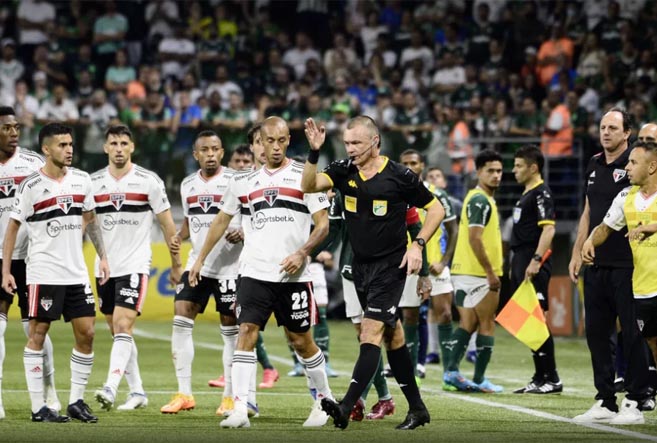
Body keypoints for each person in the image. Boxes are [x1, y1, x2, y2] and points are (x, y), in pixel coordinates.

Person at [189, 116, 334, 428]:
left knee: (301, 341)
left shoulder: (305, 177)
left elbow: (323, 225)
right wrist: (200, 258)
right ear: (260, 143)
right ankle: (240, 408)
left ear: (288, 141)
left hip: (293, 277)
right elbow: (221, 221)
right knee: (246, 332)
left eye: (282, 140)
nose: (276, 147)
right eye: (270, 141)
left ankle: (324, 400)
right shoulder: (242, 182)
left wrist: (302, 252)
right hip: (253, 272)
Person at [301, 115, 444, 430]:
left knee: (369, 333)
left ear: (375, 142)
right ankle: (418, 409)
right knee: (393, 337)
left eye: (357, 143)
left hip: (390, 268)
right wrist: (314, 152)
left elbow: (436, 209)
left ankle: (346, 406)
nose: (350, 149)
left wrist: (418, 245)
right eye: (347, 143)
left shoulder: (400, 176)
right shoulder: (343, 170)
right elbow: (308, 185)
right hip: (361, 268)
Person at [2, 123, 110, 423]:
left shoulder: (82, 180)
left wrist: (103, 257)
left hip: (76, 273)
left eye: (71, 144)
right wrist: (6, 270)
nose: (69, 149)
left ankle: (76, 401)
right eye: (62, 145)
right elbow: (12, 228)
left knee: (87, 334)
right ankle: (39, 407)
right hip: (43, 272)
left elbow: (91, 220)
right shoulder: (31, 185)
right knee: (37, 334)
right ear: (46, 149)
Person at [569, 108, 652, 424]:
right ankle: (605, 400)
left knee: (632, 333)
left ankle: (636, 399)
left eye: (613, 128)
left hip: (630, 264)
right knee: (597, 333)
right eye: (603, 127)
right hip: (597, 263)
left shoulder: (639, 163)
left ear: (627, 133)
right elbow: (588, 212)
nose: (606, 132)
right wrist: (578, 250)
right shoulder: (593, 164)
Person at [92, 125, 182, 411]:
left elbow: (168, 225)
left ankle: (110, 387)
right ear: (105, 148)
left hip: (135, 264)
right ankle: (138, 391)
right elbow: (86, 223)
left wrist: (176, 264)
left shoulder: (148, 181)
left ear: (132, 147)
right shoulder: (92, 183)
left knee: (122, 324)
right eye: (114, 143)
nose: (119, 148)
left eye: (124, 143)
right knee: (117, 330)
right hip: (104, 268)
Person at [161, 130, 243, 416]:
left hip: (230, 267)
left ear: (222, 152)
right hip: (197, 265)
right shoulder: (187, 184)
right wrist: (179, 236)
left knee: (230, 331)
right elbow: (191, 220)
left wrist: (243, 232)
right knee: (181, 319)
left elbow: (253, 216)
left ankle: (230, 396)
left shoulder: (236, 181)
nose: (211, 154)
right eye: (205, 150)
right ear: (195, 154)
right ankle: (184, 393)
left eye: (215, 149)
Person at [206, 138, 280, 391]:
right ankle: (246, 384)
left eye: (245, 160)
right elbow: (221, 220)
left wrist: (245, 234)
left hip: (270, 265)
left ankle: (266, 371)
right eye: (237, 161)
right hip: (240, 267)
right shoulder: (235, 185)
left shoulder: (271, 182)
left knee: (295, 334)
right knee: (245, 323)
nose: (241, 164)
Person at [0, 107, 55, 420]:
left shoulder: (34, 163)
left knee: (35, 329)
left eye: (16, 127)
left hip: (32, 258)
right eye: (7, 128)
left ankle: (50, 392)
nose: (14, 133)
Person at [443, 149, 504, 394]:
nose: (496, 175)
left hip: (461, 271)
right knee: (487, 323)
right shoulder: (481, 200)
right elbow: (475, 238)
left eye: (499, 171)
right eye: (490, 171)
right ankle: (479, 379)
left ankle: (451, 372)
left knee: (467, 323)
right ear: (478, 172)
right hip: (479, 274)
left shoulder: (474, 197)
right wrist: (490, 272)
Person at [398, 155, 458, 384]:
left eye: (414, 163)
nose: (410, 167)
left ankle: (450, 373)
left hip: (435, 266)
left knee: (445, 314)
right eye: (405, 164)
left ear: (422, 165)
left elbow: (453, 230)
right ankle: (413, 372)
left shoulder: (438, 194)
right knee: (410, 317)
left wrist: (444, 261)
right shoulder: (397, 194)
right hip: (410, 265)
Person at [509, 145, 562, 394]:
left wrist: (536, 260)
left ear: (533, 168)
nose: (514, 170)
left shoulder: (541, 193)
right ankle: (540, 376)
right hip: (521, 258)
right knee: (527, 320)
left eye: (519, 166)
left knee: (537, 319)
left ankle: (552, 378)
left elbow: (549, 229)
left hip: (532, 259)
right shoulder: (526, 193)